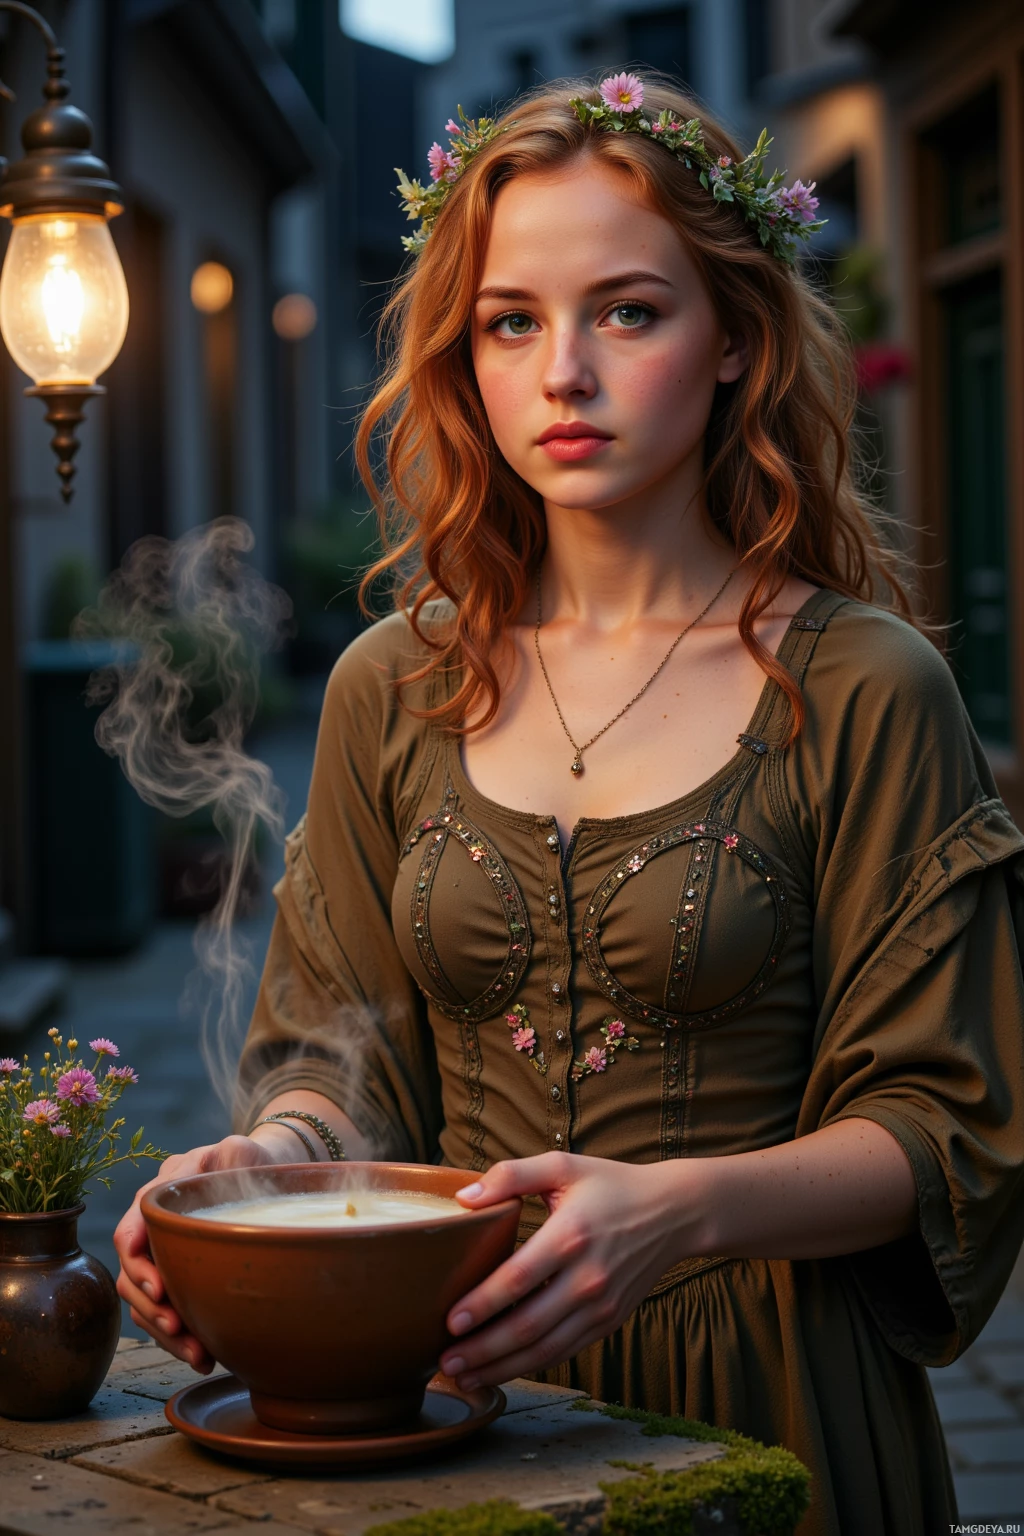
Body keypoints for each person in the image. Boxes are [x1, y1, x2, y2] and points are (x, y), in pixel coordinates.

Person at [114, 76, 1024, 1535]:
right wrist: (269, 1165)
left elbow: (950, 1124)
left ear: (735, 338)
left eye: (629, 311)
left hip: (770, 1389)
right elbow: (328, 1045)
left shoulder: (868, 686)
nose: (564, 376)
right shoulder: (387, 688)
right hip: (447, 1392)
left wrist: (684, 1212)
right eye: (511, 321)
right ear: (463, 356)